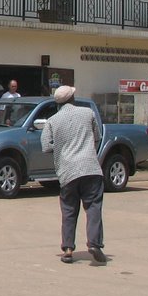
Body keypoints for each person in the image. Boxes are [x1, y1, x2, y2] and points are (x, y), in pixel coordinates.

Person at [40, 85, 106, 265]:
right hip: (90, 168)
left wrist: (62, 148)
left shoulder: (52, 121)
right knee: (93, 207)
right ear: (72, 98)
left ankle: (68, 249)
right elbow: (97, 137)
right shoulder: (88, 113)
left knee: (69, 210)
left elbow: (46, 146)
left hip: (67, 171)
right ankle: (94, 244)